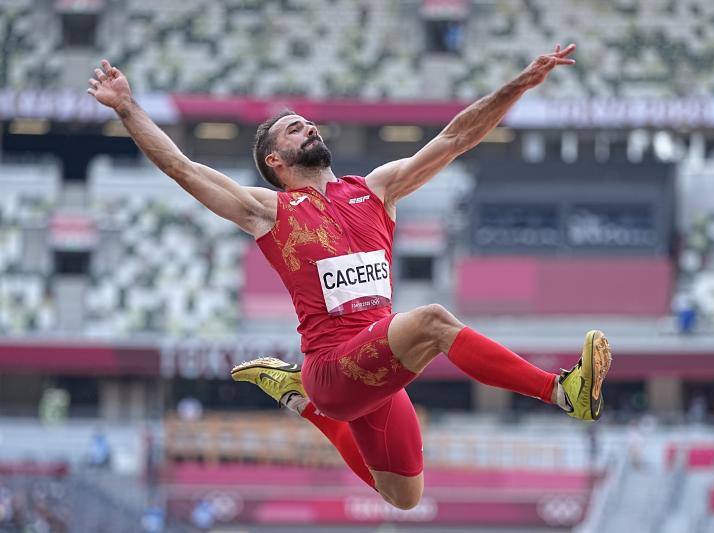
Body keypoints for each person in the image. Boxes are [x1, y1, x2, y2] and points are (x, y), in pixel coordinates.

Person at [87, 42, 612, 511]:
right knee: (432, 321)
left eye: (308, 122)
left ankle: (304, 404)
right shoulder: (268, 210)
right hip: (334, 365)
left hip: (375, 369)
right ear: (276, 159)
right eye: (294, 128)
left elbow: (455, 138)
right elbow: (183, 168)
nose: (309, 127)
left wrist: (517, 86)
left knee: (404, 497)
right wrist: (129, 108)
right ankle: (562, 392)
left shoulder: (376, 189)